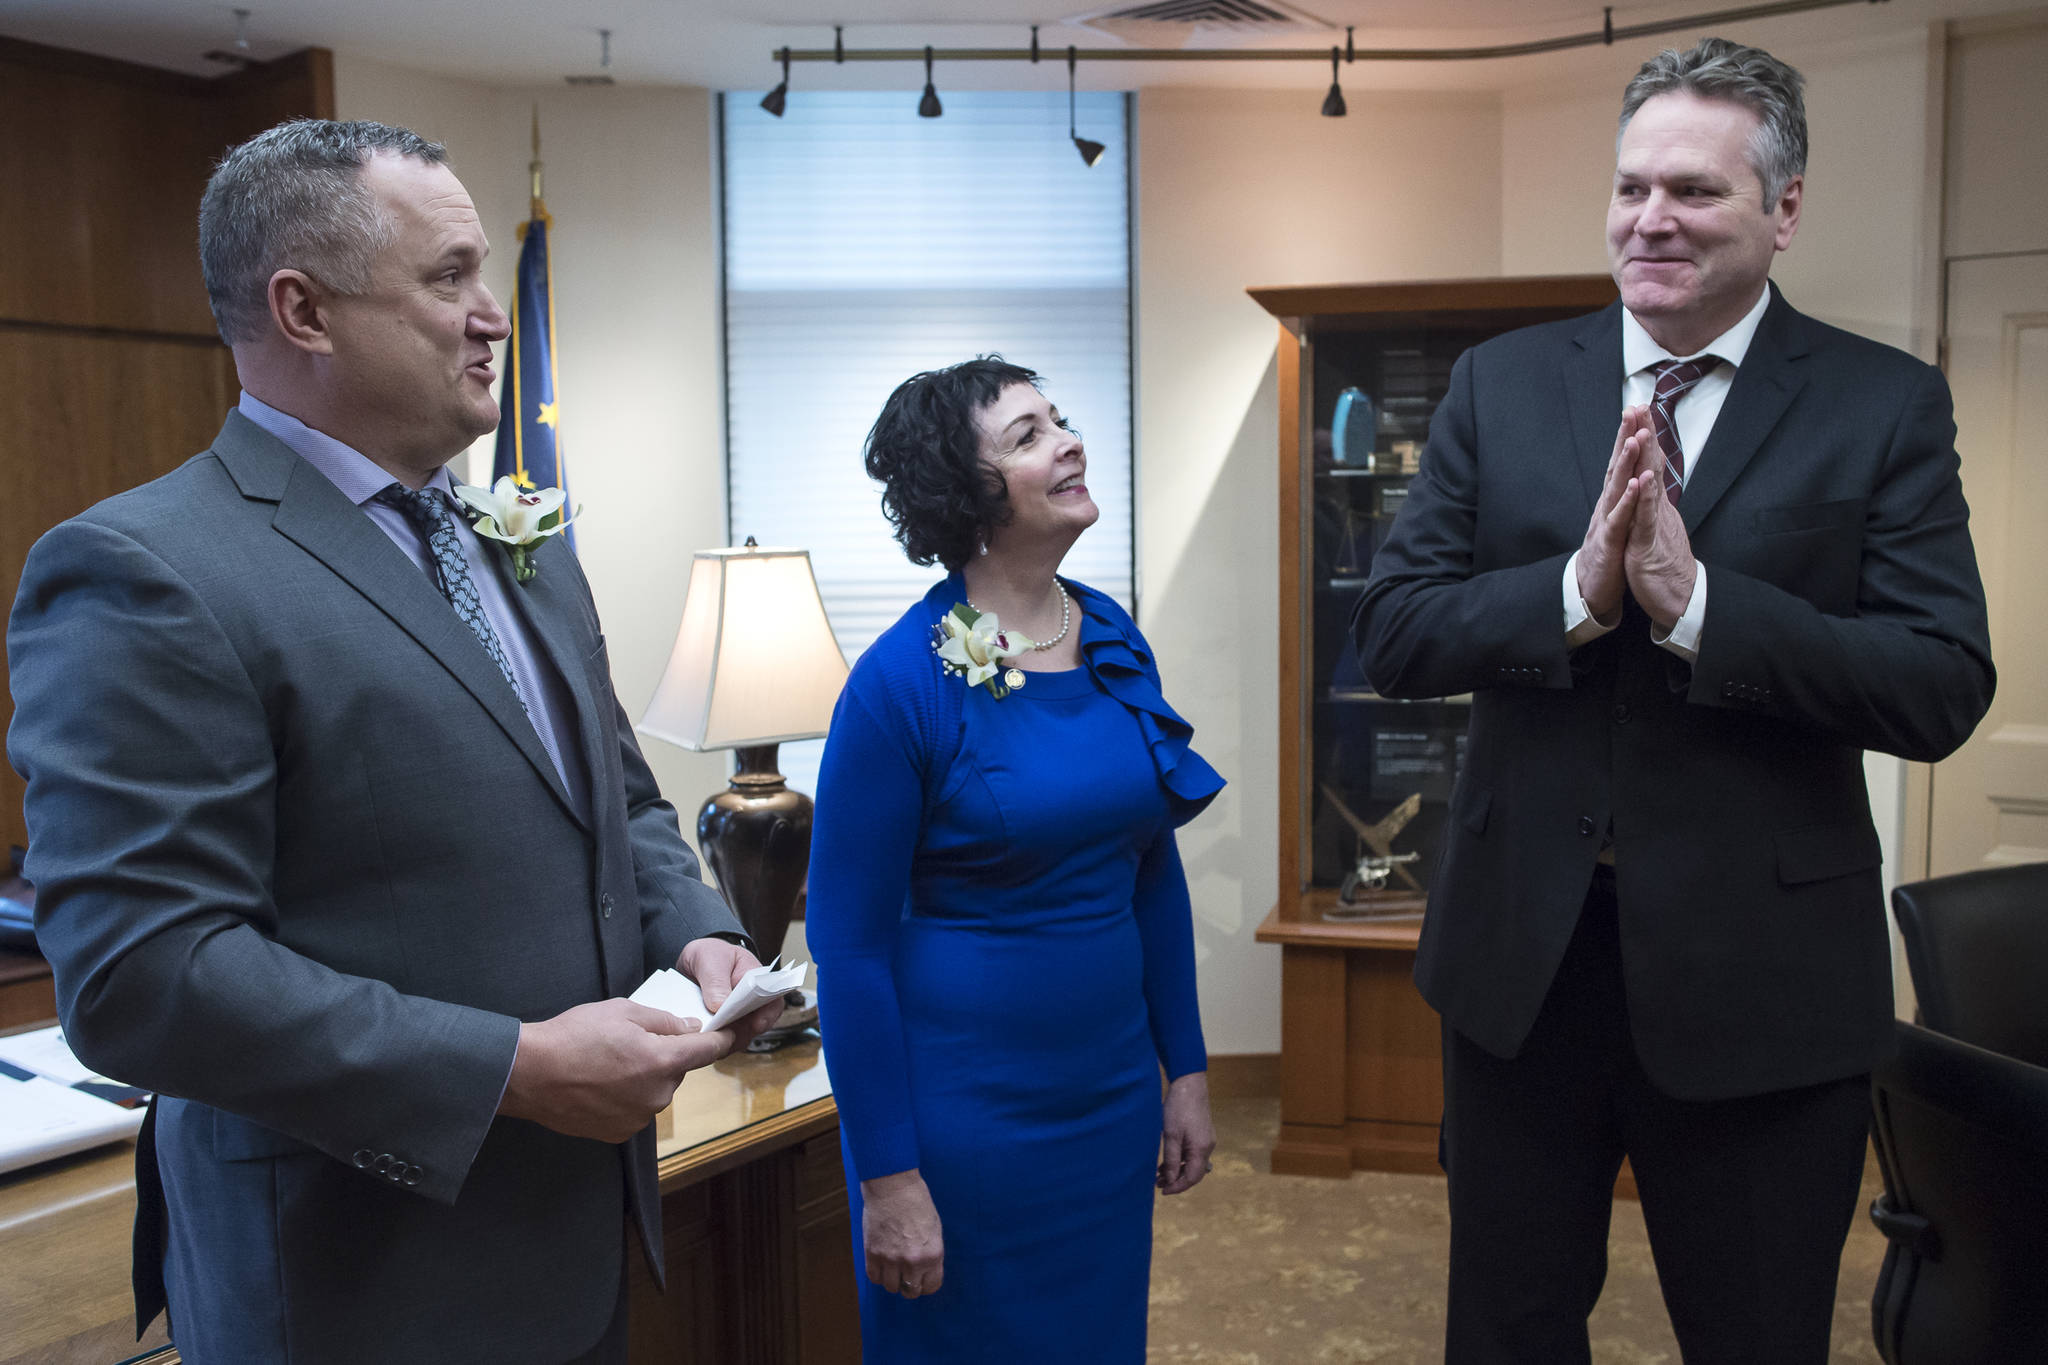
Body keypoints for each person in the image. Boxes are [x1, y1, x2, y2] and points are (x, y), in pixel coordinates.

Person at [7, 119, 780, 1364]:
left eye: (486, 274)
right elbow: (141, 973)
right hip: (350, 1278)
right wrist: (509, 1069)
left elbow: (619, 803)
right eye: (447, 277)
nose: (494, 316)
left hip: (572, 1242)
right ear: (303, 311)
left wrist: (690, 927)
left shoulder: (515, 550)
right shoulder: (146, 571)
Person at [1355, 38, 1994, 1364]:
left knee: (1756, 1335)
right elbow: (1400, 630)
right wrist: (1581, 592)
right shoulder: (1504, 383)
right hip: (1521, 970)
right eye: (1633, 185)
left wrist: (1702, 609)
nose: (1652, 217)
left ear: (1785, 210)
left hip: (1766, 986)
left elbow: (1941, 682)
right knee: (1507, 1332)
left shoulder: (1882, 405)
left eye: (1697, 191)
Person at [807, 358, 1224, 1361]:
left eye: (1061, 421)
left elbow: (1149, 874)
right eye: (1028, 435)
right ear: (968, 490)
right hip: (966, 1125)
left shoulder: (1112, 638)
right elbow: (848, 952)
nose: (1067, 441)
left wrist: (1188, 1070)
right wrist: (889, 1178)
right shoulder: (898, 685)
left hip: (1107, 1102)